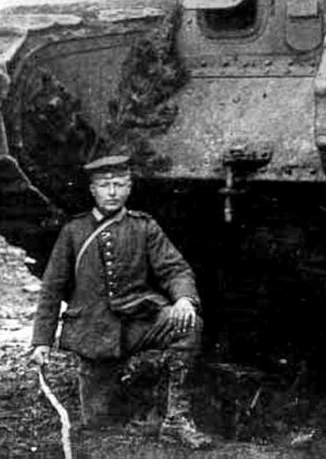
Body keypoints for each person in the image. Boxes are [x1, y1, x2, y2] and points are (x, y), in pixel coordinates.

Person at [28, 155, 213, 449]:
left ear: (129, 188)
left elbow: (175, 269)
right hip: (93, 334)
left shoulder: (144, 227)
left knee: (187, 325)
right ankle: (136, 408)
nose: (112, 192)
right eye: (105, 185)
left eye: (120, 184)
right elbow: (52, 289)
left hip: (137, 324)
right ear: (92, 190)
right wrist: (41, 341)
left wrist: (185, 300)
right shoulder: (73, 231)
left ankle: (175, 418)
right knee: (100, 426)